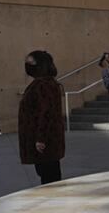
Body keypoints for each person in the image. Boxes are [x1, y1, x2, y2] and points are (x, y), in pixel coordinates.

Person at [18, 50, 65, 185]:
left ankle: (52, 203)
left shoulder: (43, 85)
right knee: (49, 173)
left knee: (49, 175)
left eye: (30, 62)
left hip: (45, 140)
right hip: (48, 138)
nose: (27, 65)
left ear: (41, 65)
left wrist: (40, 138)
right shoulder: (47, 83)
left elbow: (47, 112)